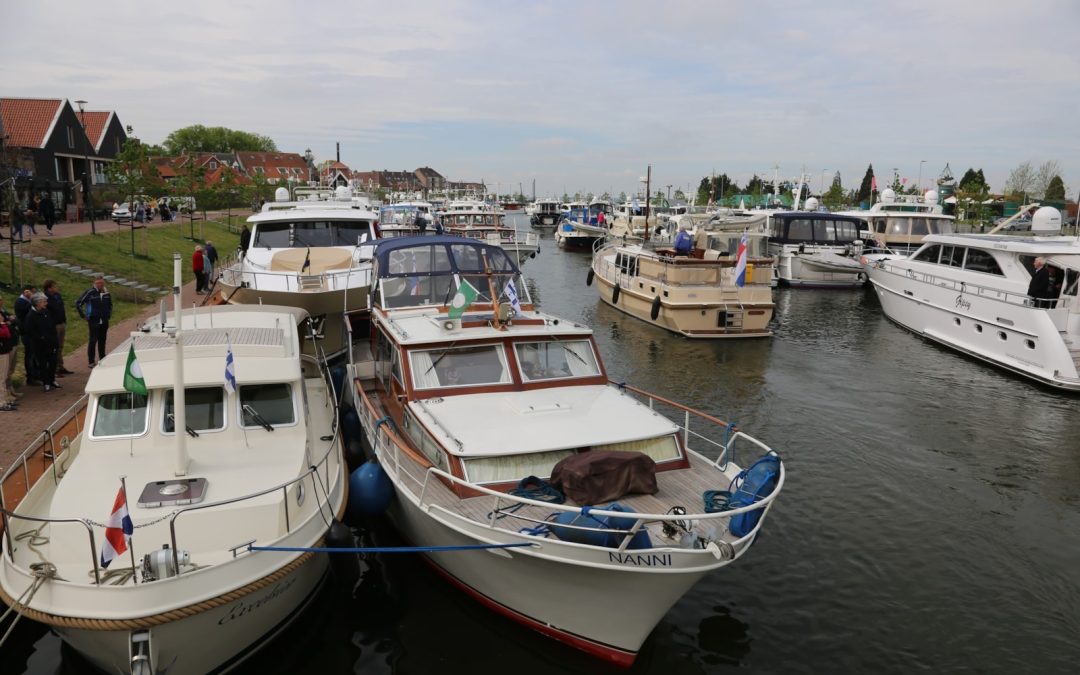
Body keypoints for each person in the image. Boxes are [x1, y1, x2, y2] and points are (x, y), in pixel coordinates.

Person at [25, 293, 60, 391]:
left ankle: (52, 380)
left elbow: (52, 325)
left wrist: (53, 338)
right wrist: (41, 338)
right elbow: (30, 331)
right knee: (43, 364)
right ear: (37, 303)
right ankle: (46, 383)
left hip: (52, 342)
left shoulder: (46, 311)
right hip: (40, 345)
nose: (46, 303)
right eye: (44, 302)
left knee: (53, 362)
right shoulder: (31, 316)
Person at [76, 275, 112, 368]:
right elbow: (79, 303)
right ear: (94, 283)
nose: (100, 284)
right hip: (93, 320)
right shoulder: (90, 292)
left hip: (104, 320)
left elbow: (110, 304)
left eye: (102, 283)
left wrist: (108, 315)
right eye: (98, 283)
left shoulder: (106, 292)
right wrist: (83, 315)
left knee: (102, 340)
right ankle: (91, 361)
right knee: (93, 340)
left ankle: (102, 358)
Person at [43, 279, 73, 375]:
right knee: (54, 347)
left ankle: (60, 366)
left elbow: (61, 308)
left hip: (61, 323)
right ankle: (54, 369)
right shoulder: (45, 298)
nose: (57, 288)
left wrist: (64, 320)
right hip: (53, 325)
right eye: (54, 286)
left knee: (60, 346)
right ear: (49, 288)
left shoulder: (58, 295)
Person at [14, 285, 38, 384]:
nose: (33, 295)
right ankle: (30, 378)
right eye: (32, 292)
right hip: (26, 332)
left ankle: (36, 374)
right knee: (30, 355)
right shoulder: (21, 302)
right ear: (26, 292)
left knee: (34, 354)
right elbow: (29, 313)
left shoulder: (27, 301)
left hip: (32, 332)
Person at [0, 296, 19, 410]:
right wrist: (3, 324)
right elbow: (5, 333)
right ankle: (2, 402)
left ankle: (5, 399)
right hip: (1, 351)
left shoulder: (3, 312)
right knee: (1, 378)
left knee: (4, 376)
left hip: (5, 349)